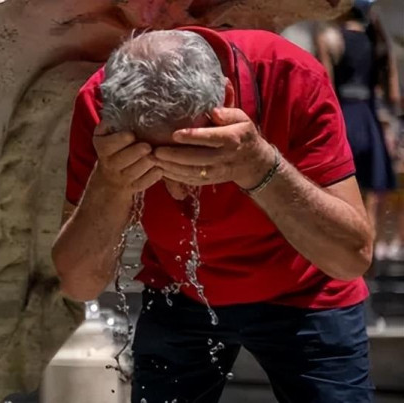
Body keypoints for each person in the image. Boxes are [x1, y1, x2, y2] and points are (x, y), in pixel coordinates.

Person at [52, 27, 375, 403]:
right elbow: (78, 284)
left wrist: (260, 166)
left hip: (305, 290)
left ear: (227, 100)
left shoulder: (290, 76)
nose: (176, 190)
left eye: (191, 157)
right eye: (153, 167)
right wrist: (110, 184)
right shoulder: (102, 106)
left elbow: (353, 257)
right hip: (179, 288)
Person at [316, 0, 401, 330]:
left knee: (339, 207)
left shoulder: (329, 38)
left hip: (343, 124)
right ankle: (367, 293)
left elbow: (324, 89)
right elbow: (393, 95)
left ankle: (344, 289)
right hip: (370, 121)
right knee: (371, 212)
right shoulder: (377, 40)